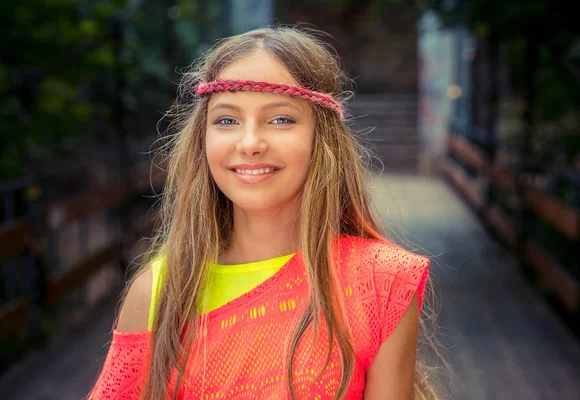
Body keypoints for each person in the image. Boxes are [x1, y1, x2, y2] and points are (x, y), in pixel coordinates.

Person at [88, 26, 434, 400]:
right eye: (227, 120)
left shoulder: (381, 282)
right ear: (201, 139)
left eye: (281, 119)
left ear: (323, 137)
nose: (250, 143)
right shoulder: (159, 290)